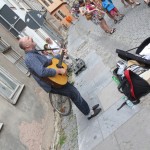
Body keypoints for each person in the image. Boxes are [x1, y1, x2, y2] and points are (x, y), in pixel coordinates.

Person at [19, 36, 101, 120]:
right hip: (52, 84)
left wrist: (60, 54)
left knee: (74, 93)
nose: (31, 37)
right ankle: (89, 113)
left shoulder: (34, 53)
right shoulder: (30, 58)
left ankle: (88, 110)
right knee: (74, 93)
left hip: (55, 80)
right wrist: (58, 71)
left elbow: (48, 62)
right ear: (27, 46)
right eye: (28, 38)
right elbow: (42, 72)